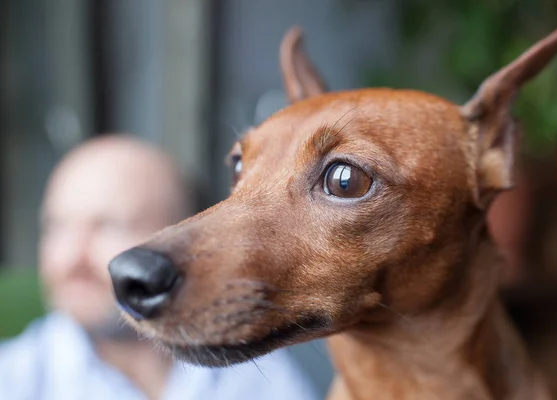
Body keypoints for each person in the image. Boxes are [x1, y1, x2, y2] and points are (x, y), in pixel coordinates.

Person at [0, 134, 319, 400]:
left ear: (186, 236)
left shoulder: (257, 371)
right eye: (56, 227)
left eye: (109, 226)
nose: (71, 257)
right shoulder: (13, 381)